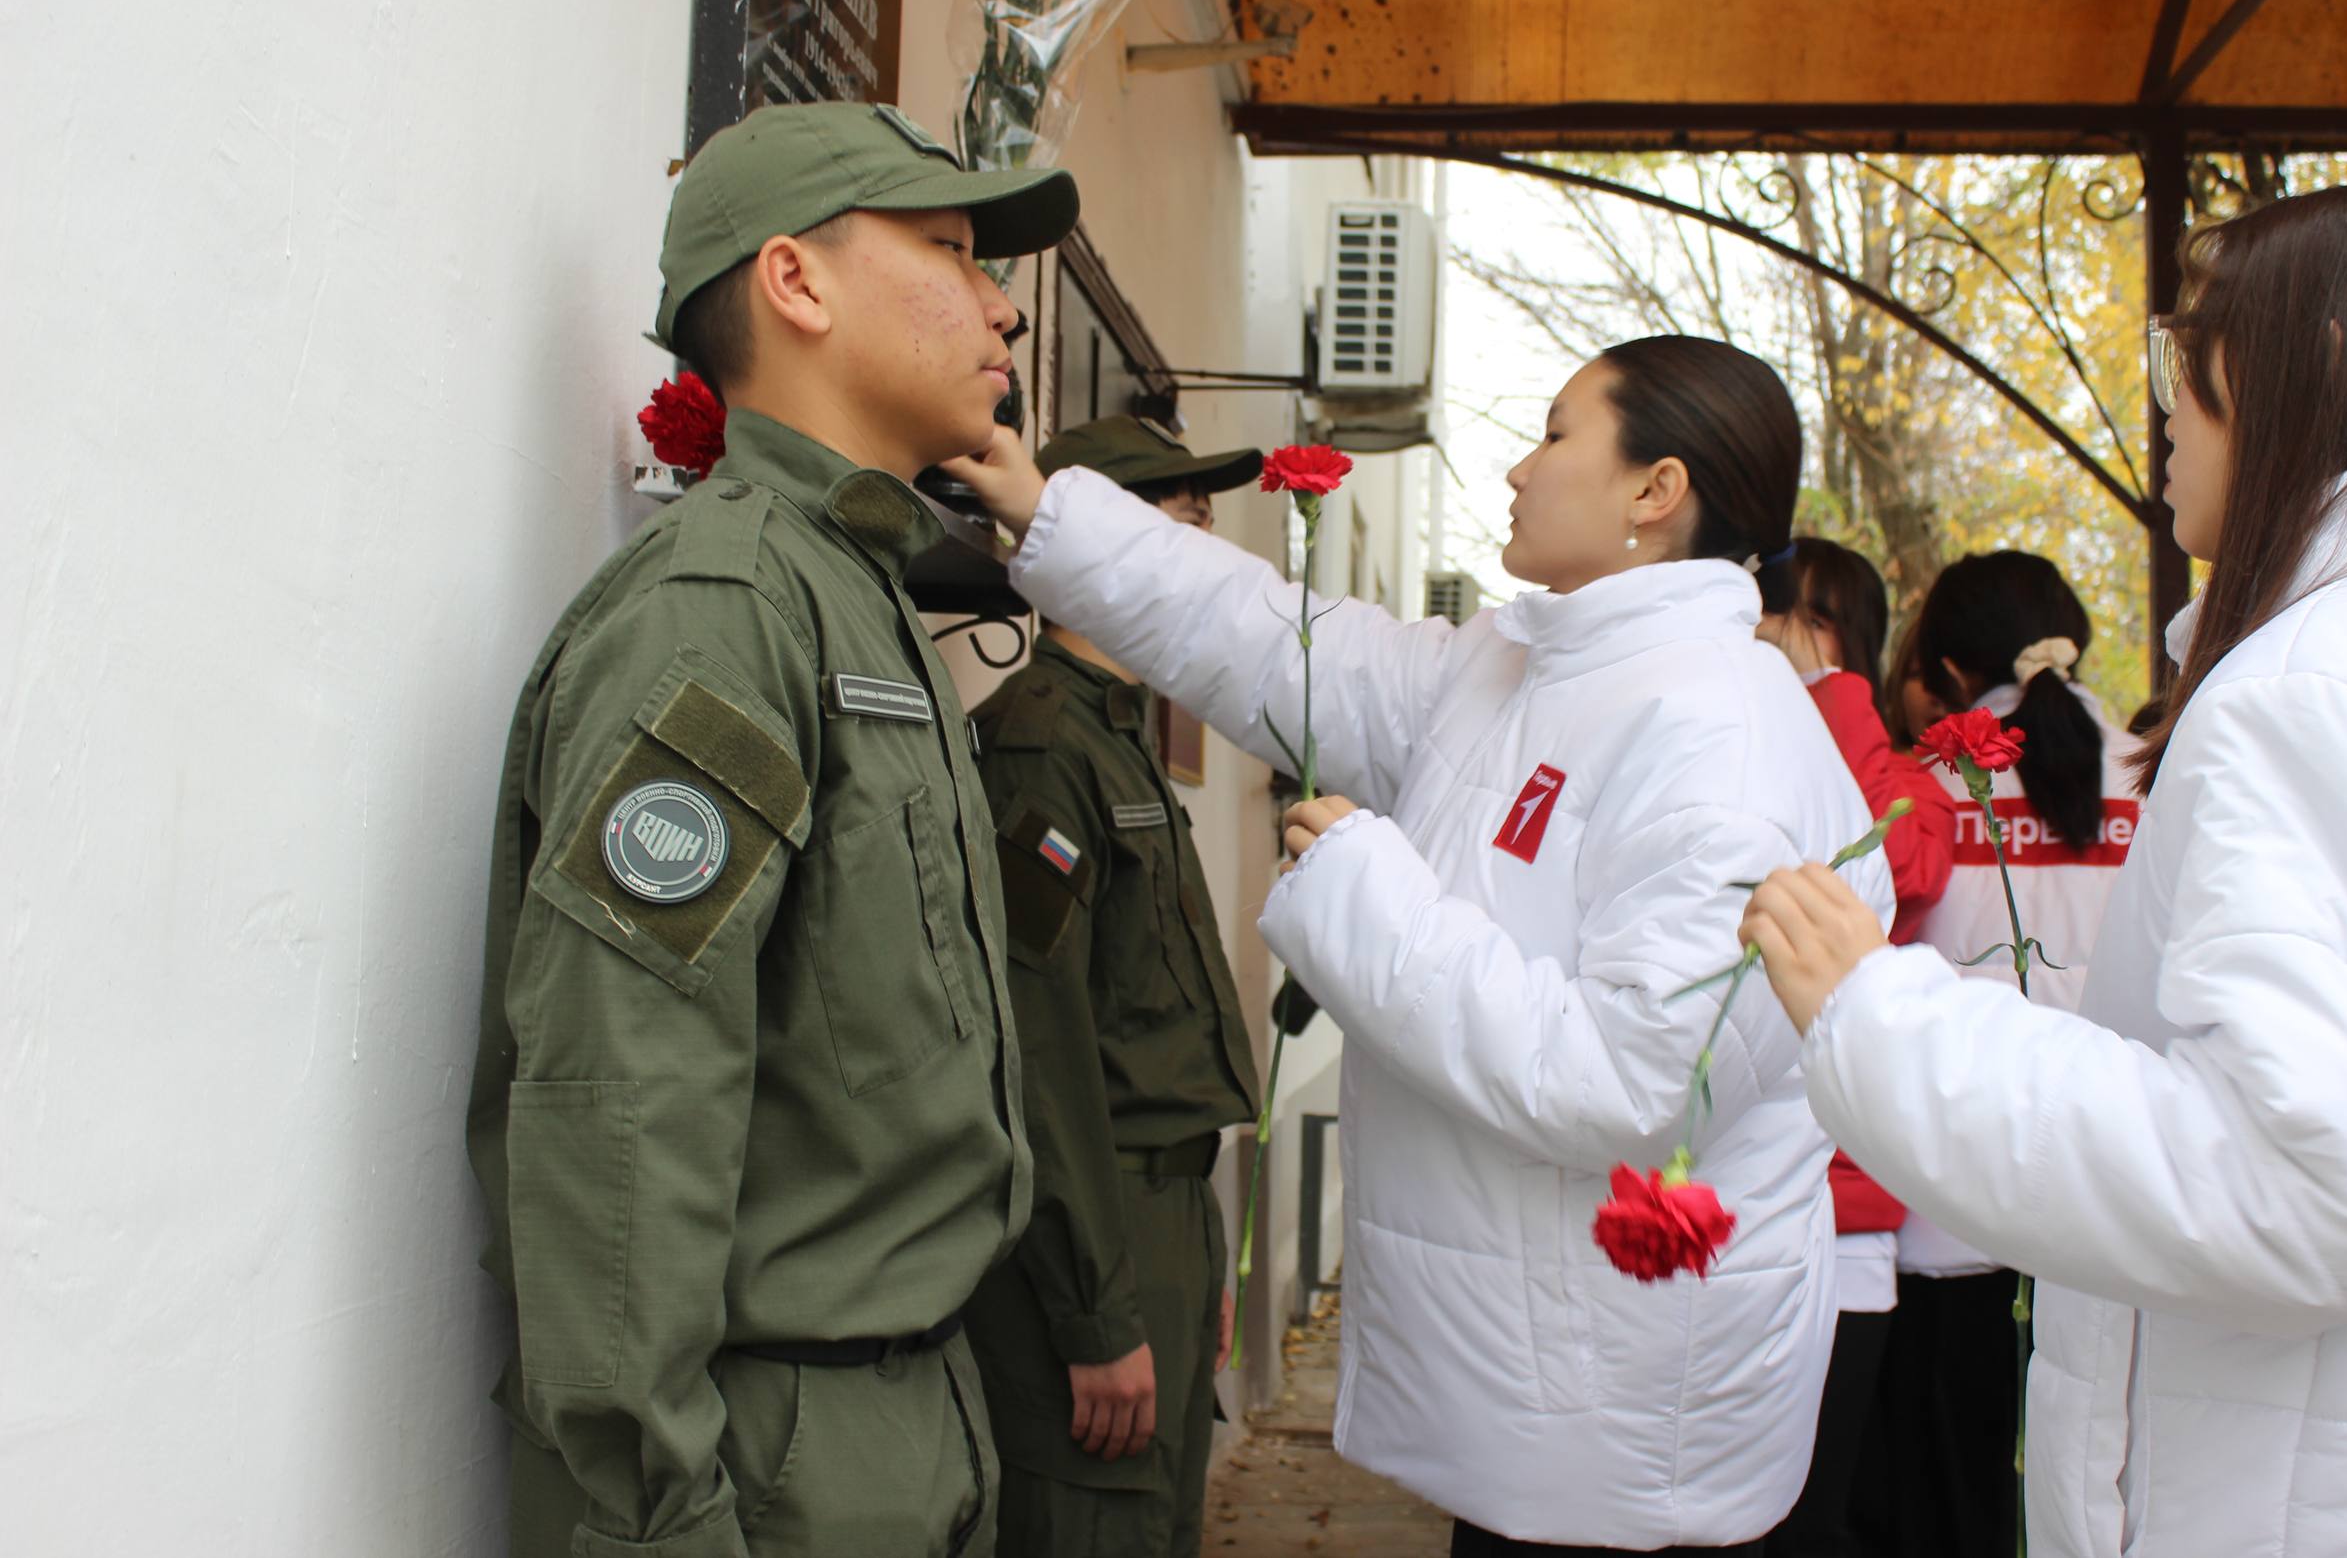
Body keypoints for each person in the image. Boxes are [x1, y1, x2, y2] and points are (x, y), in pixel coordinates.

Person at [948, 335, 1894, 1555]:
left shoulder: (1721, 733)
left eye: (1556, 434)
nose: (1517, 467)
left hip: (1622, 1432)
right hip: (1530, 1409)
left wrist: (1363, 896)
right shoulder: (1517, 666)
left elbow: (1633, 1077)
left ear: (1654, 491)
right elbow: (1266, 635)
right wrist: (1046, 512)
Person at [1742, 179, 2347, 1555]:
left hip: (2290, 1499)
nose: (2167, 398)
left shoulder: (2326, 690)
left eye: (2189, 344)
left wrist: (1879, 1015)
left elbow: (2303, 1189)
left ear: (2317, 363)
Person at [465, 100, 1078, 1557]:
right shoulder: (727, 607)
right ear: (796, 282)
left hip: (907, 1412)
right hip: (767, 1458)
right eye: (946, 246)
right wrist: (659, 1510)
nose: (1002, 302)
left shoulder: (854, 587)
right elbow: (625, 1091)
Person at [960, 415, 1266, 1557]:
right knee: (1099, 1525)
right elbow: (1039, 1052)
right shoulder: (1044, 745)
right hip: (1093, 1221)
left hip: (1160, 1216)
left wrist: (1194, 1257)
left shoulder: (1117, 733)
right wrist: (1100, 1306)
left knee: (1160, 1521)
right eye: (1183, 528)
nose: (1204, 558)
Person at [1855, 550, 2142, 1558]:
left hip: (1940, 1227)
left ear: (1941, 666)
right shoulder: (2159, 779)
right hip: (2110, 1219)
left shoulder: (1920, 791)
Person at [1754, 537, 1954, 1558]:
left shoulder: (1884, 756)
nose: (1775, 633)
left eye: (1806, 616)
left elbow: (1908, 863)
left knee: (1814, 1518)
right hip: (1714, 1187)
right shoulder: (1717, 726)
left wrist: (1825, 692)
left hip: (1838, 1208)